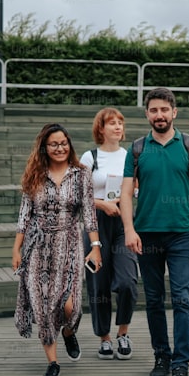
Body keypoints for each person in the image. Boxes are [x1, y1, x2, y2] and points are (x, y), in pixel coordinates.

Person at [119, 87, 189, 376]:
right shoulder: (136, 149)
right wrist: (129, 230)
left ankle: (181, 364)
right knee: (155, 299)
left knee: (183, 299)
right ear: (147, 114)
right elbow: (125, 193)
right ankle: (161, 356)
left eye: (164, 109)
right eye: (153, 110)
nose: (159, 115)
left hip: (182, 234)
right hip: (146, 235)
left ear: (174, 112)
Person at [12, 123, 102, 376]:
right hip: (37, 247)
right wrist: (16, 248)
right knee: (42, 307)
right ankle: (52, 362)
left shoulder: (82, 174)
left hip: (70, 244)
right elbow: (24, 215)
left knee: (69, 305)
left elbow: (89, 215)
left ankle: (68, 330)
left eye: (64, 143)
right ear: (44, 147)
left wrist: (96, 248)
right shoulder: (35, 175)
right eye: (54, 144)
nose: (60, 148)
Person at [79, 108, 139, 361]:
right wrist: (102, 204)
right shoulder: (90, 157)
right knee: (99, 284)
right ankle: (104, 337)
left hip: (123, 222)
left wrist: (134, 191)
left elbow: (134, 189)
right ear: (100, 129)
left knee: (127, 281)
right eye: (111, 123)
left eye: (120, 123)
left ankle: (123, 332)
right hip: (96, 223)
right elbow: (77, 194)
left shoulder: (130, 156)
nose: (117, 127)